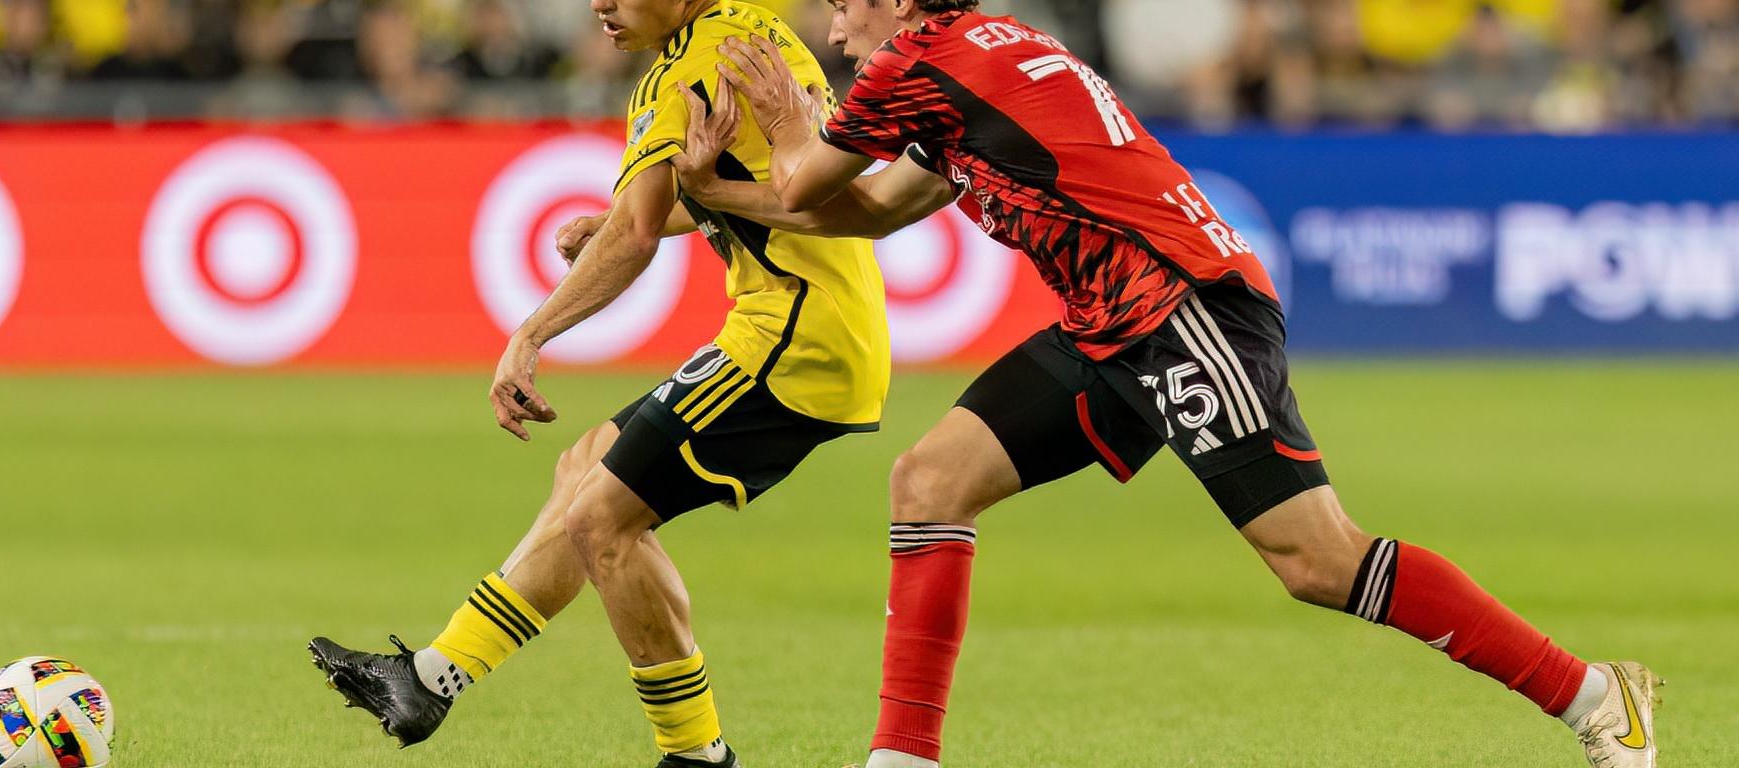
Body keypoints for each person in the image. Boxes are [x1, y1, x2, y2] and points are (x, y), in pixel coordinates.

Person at [670, 2, 1661, 766]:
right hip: (1110, 325)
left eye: (844, 6)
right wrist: (719, 198)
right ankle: (901, 755)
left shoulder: (922, 59)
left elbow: (807, 182)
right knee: (929, 483)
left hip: (1182, 310)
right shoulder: (978, 53)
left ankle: (1591, 698)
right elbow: (876, 212)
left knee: (1317, 561)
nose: (833, 29)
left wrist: (781, 121)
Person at [306, 2, 904, 766]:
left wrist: (530, 335)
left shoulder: (682, 70)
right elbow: (741, 182)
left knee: (603, 523)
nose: (601, 6)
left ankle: (695, 754)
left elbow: (637, 236)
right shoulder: (744, 28)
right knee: (584, 466)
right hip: (804, 327)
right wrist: (628, 210)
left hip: (794, 341)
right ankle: (430, 677)